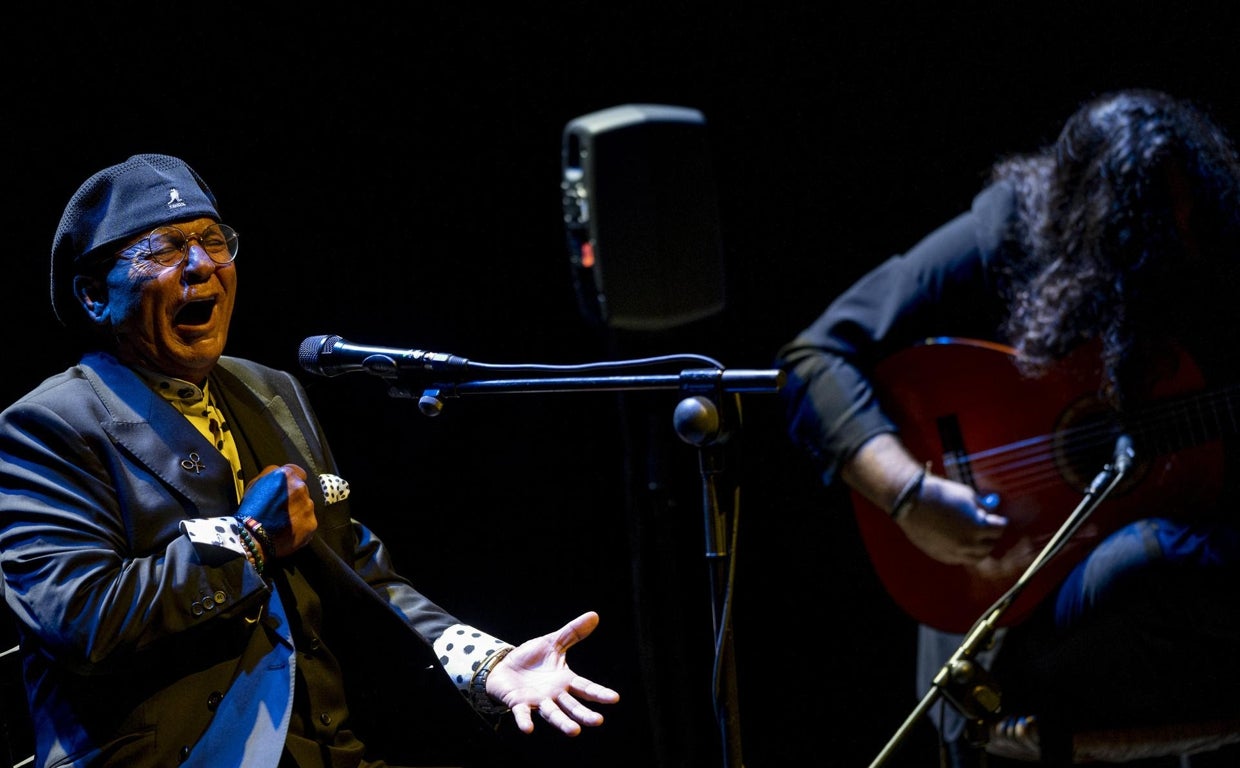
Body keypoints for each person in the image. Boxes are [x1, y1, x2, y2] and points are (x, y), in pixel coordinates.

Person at [0, 153, 620, 768]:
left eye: (215, 242)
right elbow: (78, 615)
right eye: (164, 251)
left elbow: (358, 569)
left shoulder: (272, 392)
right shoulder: (52, 423)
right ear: (92, 295)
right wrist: (244, 540)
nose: (202, 267)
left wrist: (486, 663)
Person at [774, 89, 1240, 766]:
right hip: (1006, 613)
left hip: (1152, 608)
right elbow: (816, 356)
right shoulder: (1018, 229)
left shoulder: (1215, 254)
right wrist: (910, 494)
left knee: (1164, 560)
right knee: (1149, 557)